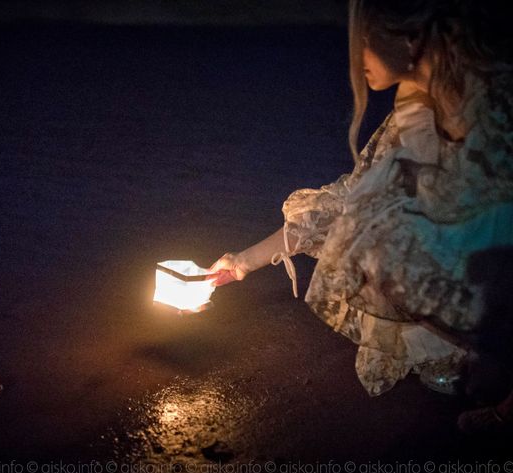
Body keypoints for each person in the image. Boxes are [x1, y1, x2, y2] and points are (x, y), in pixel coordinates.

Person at [208, 0, 513, 432]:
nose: (353, 58)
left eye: (363, 42)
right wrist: (241, 263)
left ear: (409, 37)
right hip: (484, 256)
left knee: (386, 237)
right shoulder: (416, 100)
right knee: (369, 223)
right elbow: (349, 199)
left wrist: (493, 346)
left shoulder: (494, 102)